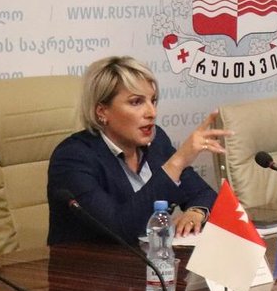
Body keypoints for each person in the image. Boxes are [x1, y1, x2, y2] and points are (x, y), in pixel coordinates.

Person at [47, 56, 222, 244]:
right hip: (91, 261)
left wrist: (196, 212)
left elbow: (204, 194)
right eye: (136, 102)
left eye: (153, 100)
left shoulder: (157, 142)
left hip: (150, 259)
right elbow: (119, 229)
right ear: (102, 111)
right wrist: (177, 162)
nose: (152, 113)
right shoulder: (73, 157)